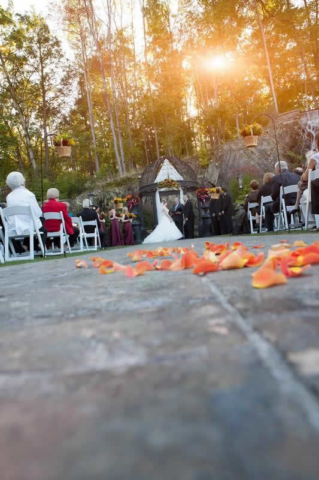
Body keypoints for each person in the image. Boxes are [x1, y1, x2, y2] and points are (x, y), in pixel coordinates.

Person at [5, 171, 47, 251]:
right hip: (29, 227)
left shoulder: (8, 197)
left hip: (13, 228)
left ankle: (26, 246)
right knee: (42, 226)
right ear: (22, 181)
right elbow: (38, 213)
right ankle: (39, 245)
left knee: (33, 225)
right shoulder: (29, 194)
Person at [264, 161, 299, 231]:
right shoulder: (297, 176)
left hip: (283, 204)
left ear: (278, 169)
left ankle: (270, 229)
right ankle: (289, 223)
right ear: (287, 168)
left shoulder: (276, 178)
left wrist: (273, 198)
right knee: (282, 202)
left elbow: (274, 194)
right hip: (297, 202)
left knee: (267, 207)